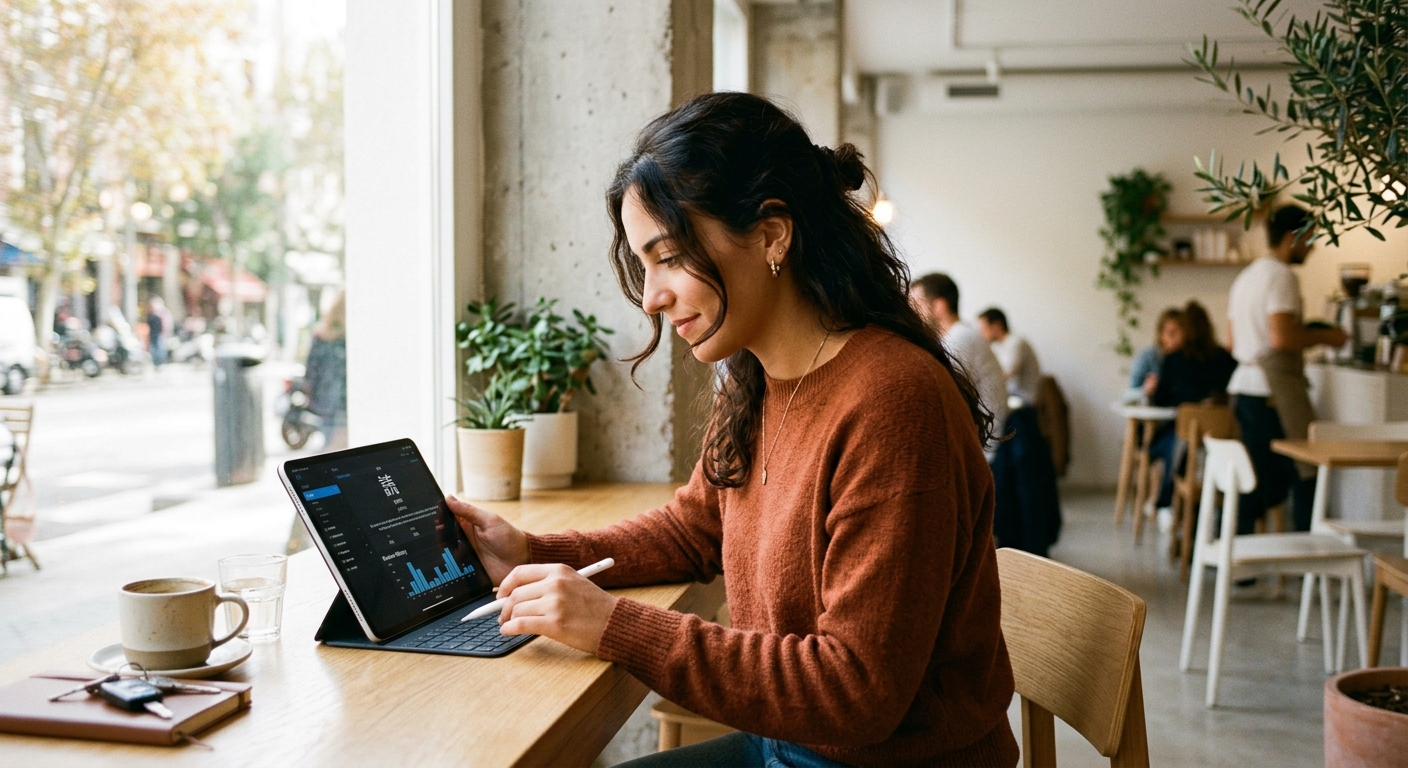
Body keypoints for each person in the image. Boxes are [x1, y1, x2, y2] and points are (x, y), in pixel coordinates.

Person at [451, 92, 1017, 767]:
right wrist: (533, 551)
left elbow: (857, 691)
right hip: (789, 745)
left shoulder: (892, 403)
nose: (651, 298)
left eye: (668, 257)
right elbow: (695, 529)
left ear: (772, 235)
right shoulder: (757, 377)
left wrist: (613, 626)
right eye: (643, 265)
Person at [1227, 204, 1347, 533]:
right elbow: (1282, 337)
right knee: (1304, 471)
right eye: (1310, 238)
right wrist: (1329, 336)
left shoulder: (1246, 276)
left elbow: (1231, 339)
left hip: (1244, 386)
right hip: (1272, 390)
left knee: (1251, 477)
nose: (1313, 246)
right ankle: (1306, 552)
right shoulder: (1282, 276)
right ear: (1293, 237)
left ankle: (1240, 558)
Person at [1147, 301, 1237, 509]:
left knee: (1174, 441)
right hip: (1221, 440)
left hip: (1187, 438)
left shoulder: (1174, 360)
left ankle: (1167, 504)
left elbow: (1160, 400)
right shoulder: (1225, 359)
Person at [909, 273, 1009, 451]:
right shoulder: (959, 335)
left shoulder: (960, 339)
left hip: (986, 446)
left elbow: (936, 395)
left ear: (939, 306)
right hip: (983, 438)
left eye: (917, 304)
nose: (912, 312)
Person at [304, 293, 347, 451]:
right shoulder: (347, 337)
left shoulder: (321, 333)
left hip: (325, 401)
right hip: (342, 402)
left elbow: (311, 370)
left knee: (332, 444)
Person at [977, 307, 1041, 406]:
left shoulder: (1016, 343)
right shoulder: (996, 346)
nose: (981, 334)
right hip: (1011, 396)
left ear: (997, 325)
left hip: (1023, 400)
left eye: (983, 329)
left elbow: (1005, 374)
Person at [1127, 307, 1182, 403]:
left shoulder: (1189, 359)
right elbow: (1130, 395)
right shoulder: (1147, 357)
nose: (1178, 340)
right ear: (1161, 334)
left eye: (1181, 334)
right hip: (1152, 415)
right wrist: (1145, 391)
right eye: (1171, 333)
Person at [145, 297, 171, 367]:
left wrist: (164, 332)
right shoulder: (152, 314)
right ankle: (156, 363)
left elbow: (166, 324)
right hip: (154, 334)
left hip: (160, 334)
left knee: (159, 348)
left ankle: (160, 362)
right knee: (155, 348)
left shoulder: (162, 314)